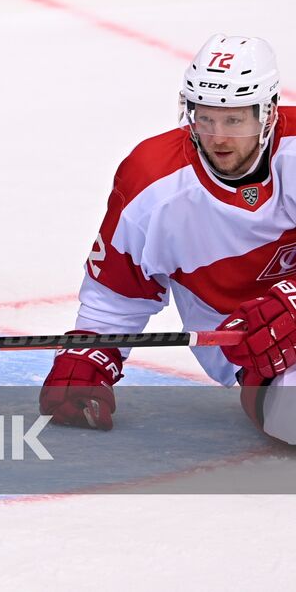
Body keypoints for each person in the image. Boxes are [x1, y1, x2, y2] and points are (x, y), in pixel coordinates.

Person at [41, 34, 296, 444]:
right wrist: (91, 357)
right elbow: (117, 294)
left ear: (266, 114)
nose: (218, 139)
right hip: (257, 352)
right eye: (205, 118)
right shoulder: (152, 181)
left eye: (234, 120)